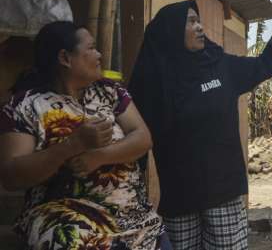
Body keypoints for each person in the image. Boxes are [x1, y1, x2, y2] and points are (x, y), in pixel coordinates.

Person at [129, 0, 272, 249]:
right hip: (179, 198)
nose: (199, 27)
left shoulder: (219, 65)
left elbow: (265, 64)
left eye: (199, 21)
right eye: (191, 21)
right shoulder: (153, 81)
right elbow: (137, 140)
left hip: (222, 193)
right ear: (172, 31)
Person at [0, 21, 167, 250]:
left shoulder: (109, 92)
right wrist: (72, 145)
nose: (99, 54)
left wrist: (99, 156)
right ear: (65, 58)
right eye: (91, 48)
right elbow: (11, 175)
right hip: (67, 220)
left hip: (134, 217)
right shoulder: (26, 105)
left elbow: (143, 138)